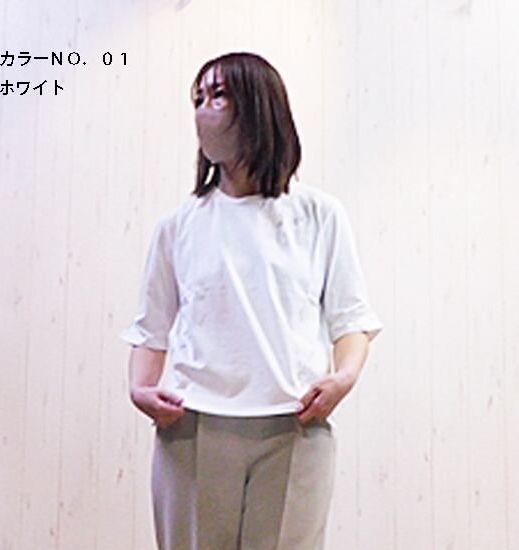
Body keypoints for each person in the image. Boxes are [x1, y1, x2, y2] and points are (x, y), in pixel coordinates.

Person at [119, 52, 384, 550]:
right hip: (192, 428)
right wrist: (140, 389)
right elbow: (151, 330)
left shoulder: (320, 215)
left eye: (218, 95)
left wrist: (344, 378)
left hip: (295, 428)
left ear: (260, 106)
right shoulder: (178, 227)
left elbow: (351, 320)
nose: (204, 108)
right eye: (198, 98)